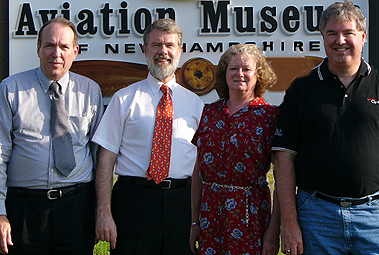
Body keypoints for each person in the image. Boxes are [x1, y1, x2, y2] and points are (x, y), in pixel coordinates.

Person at [272, 1, 379, 254]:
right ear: (323, 38)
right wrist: (289, 223)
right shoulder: (301, 88)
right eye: (331, 33)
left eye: (348, 33)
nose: (339, 40)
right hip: (316, 216)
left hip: (373, 216)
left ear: (363, 36)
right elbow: (283, 158)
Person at [93, 18, 204, 254]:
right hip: (133, 202)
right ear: (145, 50)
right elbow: (106, 159)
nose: (163, 52)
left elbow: (204, 164)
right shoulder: (123, 99)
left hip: (182, 203)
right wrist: (104, 212)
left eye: (169, 45)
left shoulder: (197, 105)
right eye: (156, 45)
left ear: (180, 51)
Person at [0, 17, 104, 254]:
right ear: (38, 49)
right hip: (25, 210)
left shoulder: (90, 91)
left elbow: (99, 157)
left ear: (75, 52)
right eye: (49, 45)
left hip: (76, 207)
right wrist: (0, 212)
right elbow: (0, 151)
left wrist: (100, 211)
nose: (56, 53)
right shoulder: (10, 89)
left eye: (64, 47)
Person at [189, 44, 280, 255]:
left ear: (258, 75)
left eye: (246, 69)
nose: (240, 74)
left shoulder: (269, 116)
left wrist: (273, 231)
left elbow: (283, 177)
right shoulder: (209, 113)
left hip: (251, 217)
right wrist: (195, 222)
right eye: (233, 68)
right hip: (210, 216)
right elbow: (198, 171)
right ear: (224, 73)